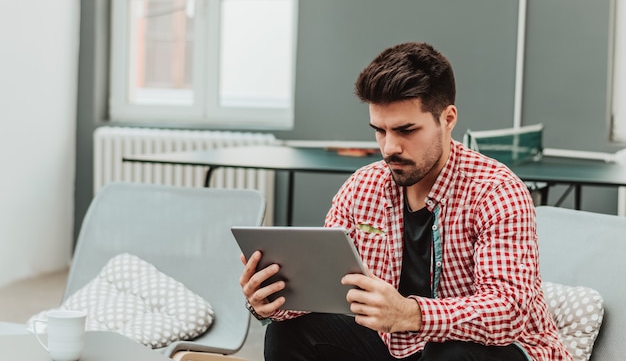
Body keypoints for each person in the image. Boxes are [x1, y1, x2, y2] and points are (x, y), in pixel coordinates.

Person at [239, 42, 571, 361]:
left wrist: (410, 313)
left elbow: (508, 311)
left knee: (451, 351)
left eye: (406, 130)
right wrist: (271, 300)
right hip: (398, 346)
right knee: (288, 333)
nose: (389, 148)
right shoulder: (361, 188)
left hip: (497, 351)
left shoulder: (496, 191)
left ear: (448, 119)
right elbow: (331, 291)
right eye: (380, 131)